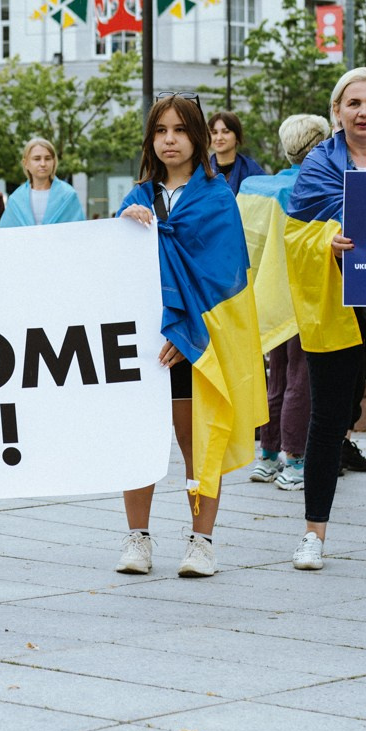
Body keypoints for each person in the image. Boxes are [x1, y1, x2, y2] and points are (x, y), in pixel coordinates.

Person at [116, 95, 266, 578]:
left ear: (198, 137)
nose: (170, 140)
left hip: (197, 345)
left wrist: (190, 336)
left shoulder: (218, 198)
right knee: (138, 441)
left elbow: (227, 281)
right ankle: (137, 538)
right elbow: (112, 270)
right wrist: (124, 227)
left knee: (196, 442)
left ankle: (202, 541)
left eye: (180, 130)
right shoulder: (136, 198)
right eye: (161, 131)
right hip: (143, 341)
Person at [284, 67, 366, 571]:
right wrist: (325, 241)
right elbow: (295, 234)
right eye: (353, 103)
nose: (363, 112)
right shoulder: (318, 164)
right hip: (335, 307)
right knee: (329, 420)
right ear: (336, 110)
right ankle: (313, 534)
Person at [239, 114, 330, 491]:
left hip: (267, 296)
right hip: (305, 298)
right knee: (300, 380)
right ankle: (295, 460)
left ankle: (267, 455)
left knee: (276, 377)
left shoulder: (258, 187)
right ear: (319, 145)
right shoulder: (320, 187)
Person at [0, 137, 84, 226]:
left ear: (54, 162)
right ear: (26, 163)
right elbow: (6, 231)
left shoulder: (68, 195)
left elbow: (79, 229)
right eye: (37, 159)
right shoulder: (16, 199)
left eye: (47, 158)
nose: (43, 164)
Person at [209, 109, 264, 193]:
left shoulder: (251, 170)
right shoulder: (201, 170)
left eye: (226, 132)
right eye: (214, 132)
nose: (219, 138)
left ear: (237, 137)